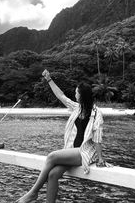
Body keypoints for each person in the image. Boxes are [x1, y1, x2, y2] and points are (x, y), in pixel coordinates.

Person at [17, 69, 109, 203]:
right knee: (53, 174)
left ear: (82, 95)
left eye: (76, 92)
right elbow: (61, 96)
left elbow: (98, 137)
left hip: (85, 152)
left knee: (52, 156)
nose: (75, 94)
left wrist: (100, 158)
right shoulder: (77, 108)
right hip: (72, 151)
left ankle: (33, 193)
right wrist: (49, 79)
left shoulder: (96, 113)